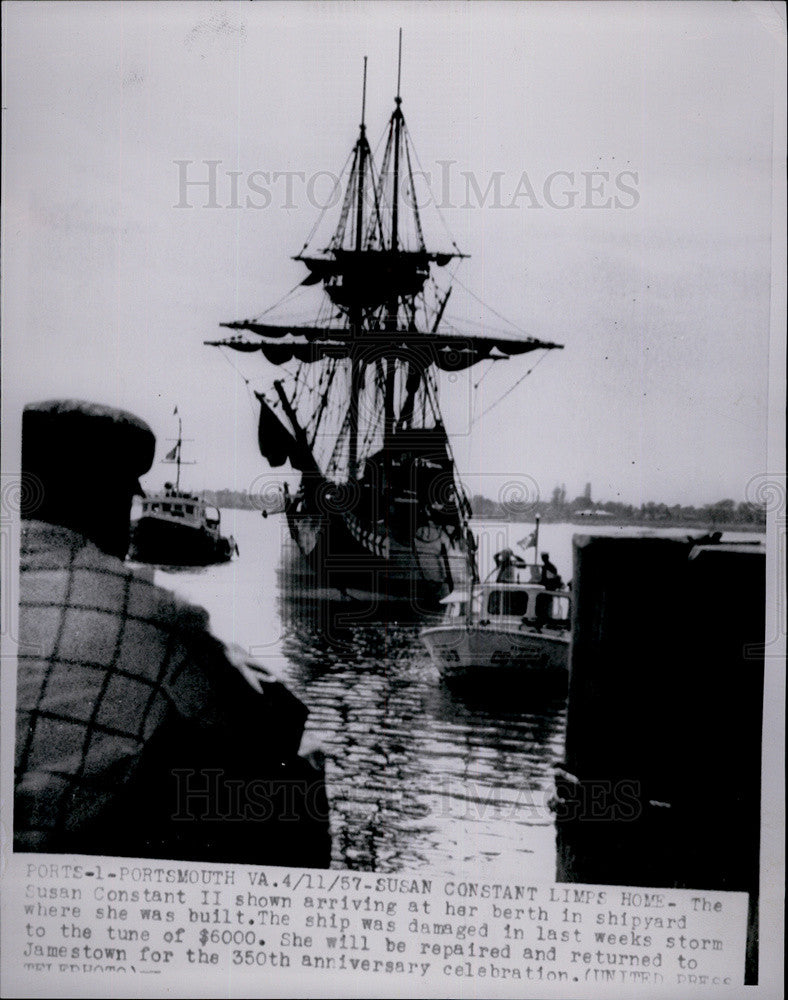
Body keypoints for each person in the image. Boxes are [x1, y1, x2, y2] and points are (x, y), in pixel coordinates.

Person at [15, 399, 330, 866]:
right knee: (295, 774)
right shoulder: (152, 614)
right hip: (55, 874)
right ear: (108, 499)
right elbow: (275, 725)